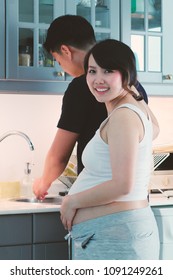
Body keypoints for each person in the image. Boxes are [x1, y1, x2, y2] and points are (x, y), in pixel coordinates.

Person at [60, 39, 160, 260]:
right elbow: (155, 129)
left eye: (108, 71)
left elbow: (123, 186)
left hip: (114, 236)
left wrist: (72, 201)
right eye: (92, 71)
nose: (98, 80)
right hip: (114, 233)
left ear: (125, 74)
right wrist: (129, 85)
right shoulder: (130, 109)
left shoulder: (123, 116)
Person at [33, 15, 148, 200]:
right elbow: (152, 129)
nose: (61, 67)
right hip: (135, 199)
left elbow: (59, 156)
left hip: (100, 201)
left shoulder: (81, 87)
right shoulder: (132, 84)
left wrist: (43, 182)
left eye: (58, 60)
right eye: (93, 71)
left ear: (65, 50)